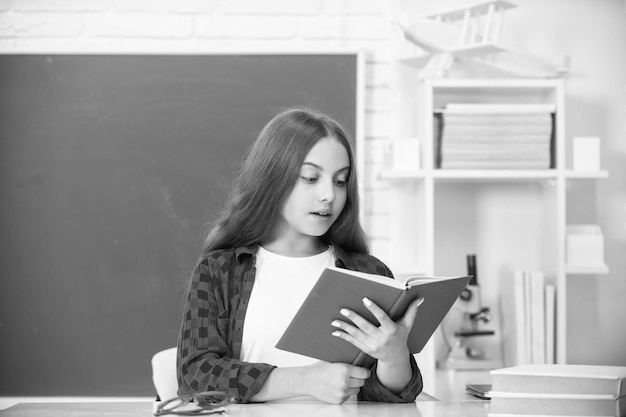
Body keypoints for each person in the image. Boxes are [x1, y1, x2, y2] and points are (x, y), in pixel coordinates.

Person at [176, 108, 423, 404]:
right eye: (310, 178)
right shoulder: (219, 271)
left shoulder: (369, 273)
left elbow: (384, 397)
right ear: (272, 178)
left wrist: (395, 356)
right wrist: (305, 381)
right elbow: (196, 376)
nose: (329, 195)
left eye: (341, 181)